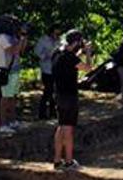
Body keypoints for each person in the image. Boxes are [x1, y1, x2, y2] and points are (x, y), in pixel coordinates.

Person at [52, 30, 93, 170]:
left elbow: (70, 58)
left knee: (61, 126)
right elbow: (88, 68)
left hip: (58, 95)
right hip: (69, 97)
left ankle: (57, 160)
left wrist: (79, 51)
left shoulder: (57, 53)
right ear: (76, 43)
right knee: (68, 129)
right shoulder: (70, 58)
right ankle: (69, 161)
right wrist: (88, 53)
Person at [0, 17, 28, 134]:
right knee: (5, 97)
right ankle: (3, 124)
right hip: (6, 70)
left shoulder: (12, 37)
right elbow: (13, 50)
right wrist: (20, 38)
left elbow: (21, 51)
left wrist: (24, 37)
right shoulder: (1, 37)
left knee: (12, 96)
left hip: (14, 69)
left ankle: (12, 121)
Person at [35, 26, 62, 120]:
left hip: (57, 69)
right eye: (56, 34)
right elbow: (37, 53)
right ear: (51, 33)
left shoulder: (60, 41)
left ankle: (53, 112)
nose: (57, 36)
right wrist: (47, 55)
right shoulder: (43, 40)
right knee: (48, 91)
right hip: (47, 69)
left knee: (55, 91)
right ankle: (42, 113)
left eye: (59, 34)